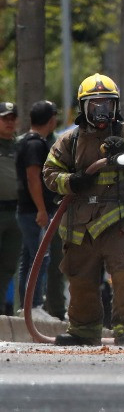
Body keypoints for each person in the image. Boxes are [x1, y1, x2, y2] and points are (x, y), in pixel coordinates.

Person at [42, 74, 124, 346]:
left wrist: (123, 147)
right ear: (84, 108)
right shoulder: (71, 140)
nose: (102, 112)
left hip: (118, 221)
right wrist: (73, 181)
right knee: (81, 278)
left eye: (107, 105)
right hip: (79, 226)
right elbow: (49, 172)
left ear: (115, 107)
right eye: (95, 106)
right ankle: (84, 330)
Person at [15, 100, 65, 320]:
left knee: (29, 257)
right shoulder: (35, 144)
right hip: (33, 211)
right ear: (51, 119)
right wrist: (42, 210)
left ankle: (28, 306)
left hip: (27, 210)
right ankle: (34, 305)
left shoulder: (29, 142)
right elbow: (33, 178)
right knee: (40, 258)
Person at [0, 102, 20, 315]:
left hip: (15, 212)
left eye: (12, 118)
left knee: (8, 265)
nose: (9, 122)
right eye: (5, 118)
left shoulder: (19, 146)